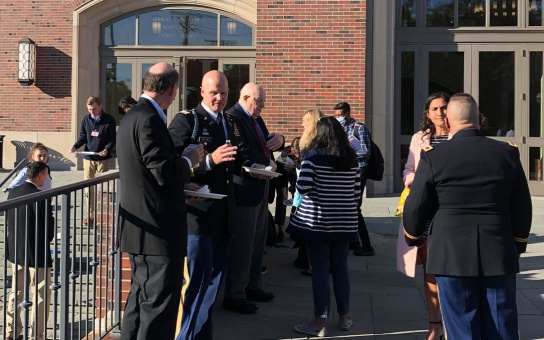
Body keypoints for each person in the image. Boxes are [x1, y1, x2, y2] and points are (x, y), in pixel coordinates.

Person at [403, 93, 532, 340]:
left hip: (450, 253)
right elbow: (522, 206)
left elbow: (416, 206)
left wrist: (414, 236)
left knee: (462, 327)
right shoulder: (507, 153)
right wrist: (518, 243)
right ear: (481, 119)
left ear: (449, 123)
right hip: (498, 250)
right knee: (501, 324)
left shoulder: (433, 155)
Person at [116, 62, 204, 340]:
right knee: (158, 305)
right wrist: (189, 161)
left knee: (139, 299)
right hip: (158, 229)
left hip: (140, 226)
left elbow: (149, 172)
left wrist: (182, 181)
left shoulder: (132, 115)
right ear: (173, 89)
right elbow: (163, 171)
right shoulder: (149, 118)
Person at [168, 70, 237, 339]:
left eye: (224, 93)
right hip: (196, 218)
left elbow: (233, 166)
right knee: (193, 286)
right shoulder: (187, 121)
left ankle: (201, 335)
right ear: (202, 92)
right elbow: (171, 167)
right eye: (214, 93)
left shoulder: (228, 122)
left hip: (223, 217)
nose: (219, 98)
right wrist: (209, 162)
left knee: (211, 287)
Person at [287, 116, 359, 338]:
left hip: (317, 224)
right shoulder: (351, 159)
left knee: (319, 270)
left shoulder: (313, 158)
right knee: (340, 269)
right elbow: (356, 194)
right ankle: (344, 318)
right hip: (345, 224)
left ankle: (320, 320)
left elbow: (304, 187)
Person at [222, 82, 284, 314]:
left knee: (258, 242)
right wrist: (266, 162)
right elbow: (241, 151)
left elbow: (266, 141)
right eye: (259, 101)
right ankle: (235, 294)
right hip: (244, 188)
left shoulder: (255, 118)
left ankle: (253, 285)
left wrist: (280, 139)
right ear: (246, 97)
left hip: (260, 186)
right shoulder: (233, 117)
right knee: (243, 245)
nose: (262, 106)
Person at [396, 92, 450, 340]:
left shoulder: (458, 135)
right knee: (430, 268)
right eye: (435, 108)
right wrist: (412, 181)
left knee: (451, 269)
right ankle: (434, 324)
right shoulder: (420, 138)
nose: (440, 112)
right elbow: (409, 168)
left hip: (451, 210)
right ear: (427, 114)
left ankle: (452, 320)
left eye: (444, 107)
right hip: (428, 209)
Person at [6, 161, 54, 340]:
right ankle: (36, 336)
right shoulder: (42, 197)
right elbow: (49, 232)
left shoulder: (13, 193)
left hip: (15, 251)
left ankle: (11, 332)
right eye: (46, 175)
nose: (47, 179)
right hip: (37, 254)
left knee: (15, 292)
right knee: (40, 295)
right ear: (40, 175)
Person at [333, 101, 375, 256]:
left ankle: (367, 245)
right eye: (336, 115)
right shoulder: (339, 129)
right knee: (350, 206)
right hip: (347, 170)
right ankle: (354, 241)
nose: (338, 118)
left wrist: (348, 154)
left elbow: (366, 151)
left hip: (360, 169)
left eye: (340, 115)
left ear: (348, 114)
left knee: (355, 206)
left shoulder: (359, 128)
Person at [69, 96, 116, 225]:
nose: (92, 112)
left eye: (94, 109)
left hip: (103, 158)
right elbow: (83, 137)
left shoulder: (109, 120)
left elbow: (112, 139)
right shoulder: (86, 119)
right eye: (89, 109)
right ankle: (90, 214)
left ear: (100, 106)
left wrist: (107, 149)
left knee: (102, 187)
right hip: (88, 158)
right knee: (88, 188)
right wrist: (75, 146)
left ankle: (102, 213)